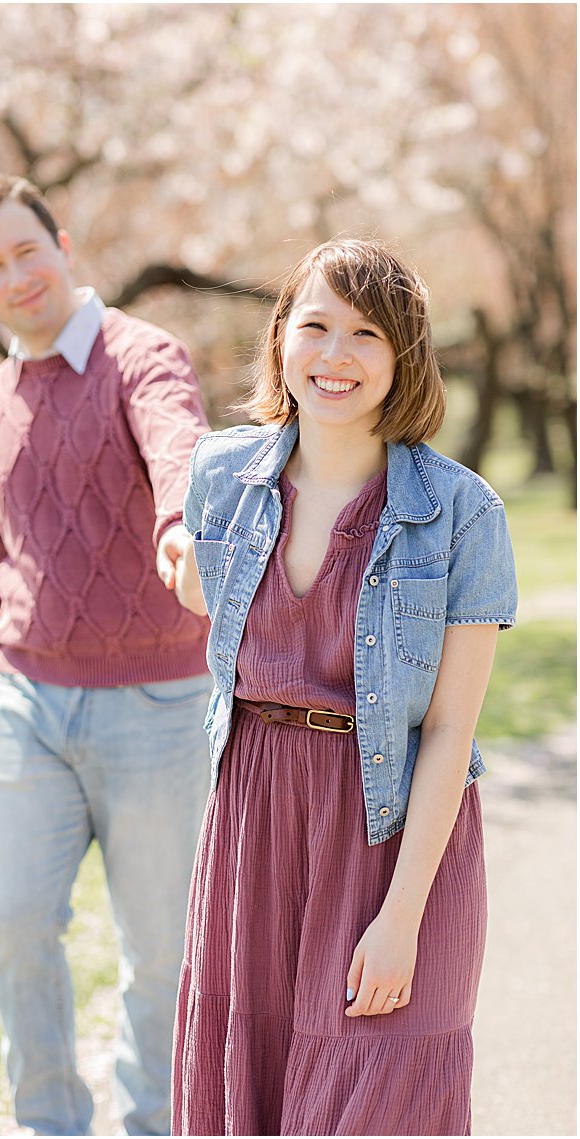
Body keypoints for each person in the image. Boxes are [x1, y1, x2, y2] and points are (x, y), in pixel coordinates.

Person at [167, 239, 518, 1135]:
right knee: (249, 1085)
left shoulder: (463, 512)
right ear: (281, 337)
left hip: (387, 835)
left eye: (367, 334)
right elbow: (201, 583)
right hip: (254, 825)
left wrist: (401, 917)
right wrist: (179, 560)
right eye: (315, 325)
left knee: (376, 1096)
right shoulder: (223, 477)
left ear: (404, 355)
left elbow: (449, 731)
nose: (336, 355)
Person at [0, 173, 214, 1136]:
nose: (17, 276)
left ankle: (153, 1124)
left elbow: (177, 439)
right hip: (27, 704)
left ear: (60, 242)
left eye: (27, 250)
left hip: (161, 706)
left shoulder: (144, 355)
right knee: (13, 926)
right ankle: (49, 1123)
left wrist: (183, 523)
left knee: (161, 953)